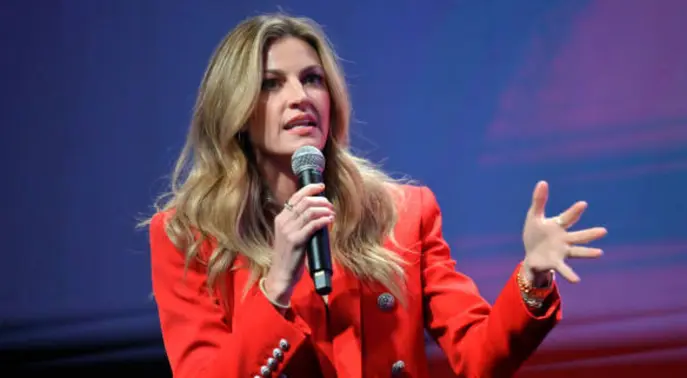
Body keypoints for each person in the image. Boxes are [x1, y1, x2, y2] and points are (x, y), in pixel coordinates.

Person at [144, 12, 608, 378]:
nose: (299, 96)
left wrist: (532, 276)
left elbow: (479, 355)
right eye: (271, 84)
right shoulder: (188, 236)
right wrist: (276, 287)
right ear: (237, 109)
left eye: (312, 78)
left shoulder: (401, 213)